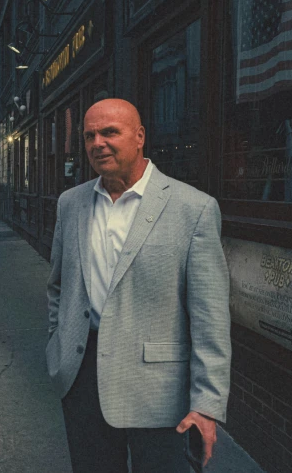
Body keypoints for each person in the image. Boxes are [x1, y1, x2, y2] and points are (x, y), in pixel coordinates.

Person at [46, 98, 231, 473]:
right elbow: (58, 287)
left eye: (110, 132)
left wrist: (207, 404)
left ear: (140, 136)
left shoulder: (192, 208)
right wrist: (58, 345)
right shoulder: (71, 203)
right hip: (82, 378)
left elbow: (210, 317)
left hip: (160, 392)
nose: (98, 143)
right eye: (89, 135)